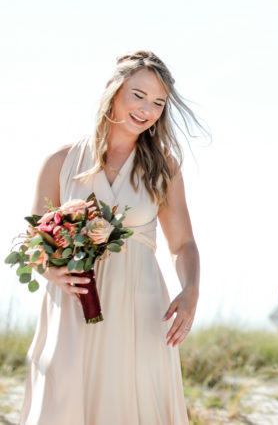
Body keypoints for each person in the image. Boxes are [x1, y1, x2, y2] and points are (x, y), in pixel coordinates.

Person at [21, 51, 202, 425]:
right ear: (113, 89)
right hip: (74, 308)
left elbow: (183, 243)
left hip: (140, 308)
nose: (147, 109)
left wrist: (190, 291)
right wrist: (50, 271)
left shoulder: (163, 167)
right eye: (139, 95)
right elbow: (33, 241)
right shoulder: (61, 161)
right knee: (65, 404)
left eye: (158, 103)